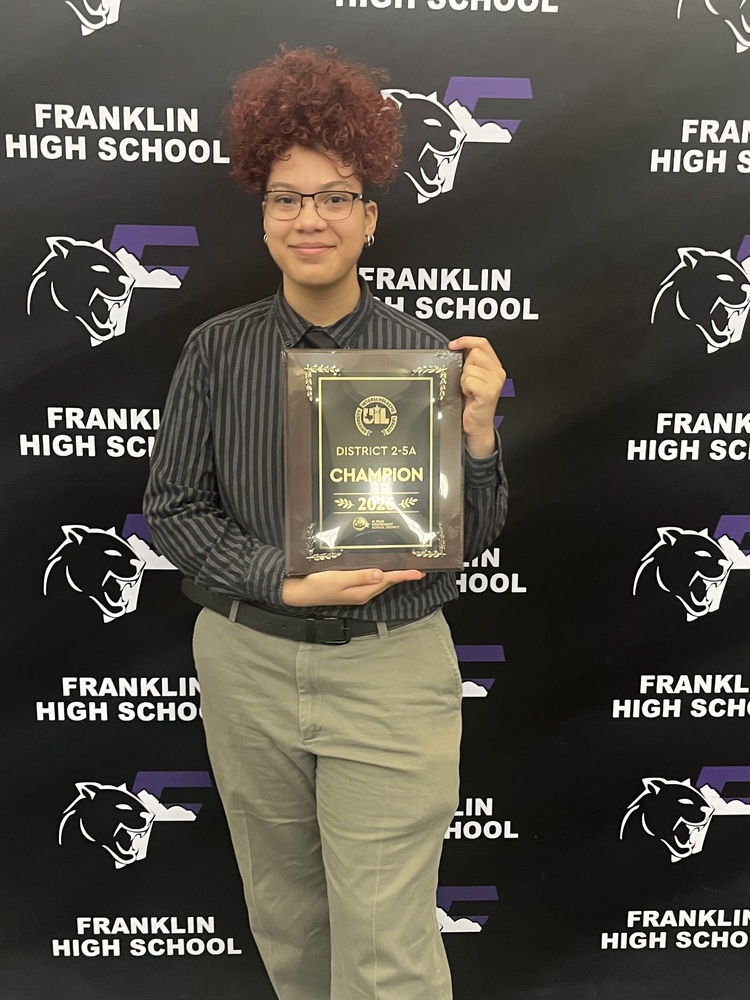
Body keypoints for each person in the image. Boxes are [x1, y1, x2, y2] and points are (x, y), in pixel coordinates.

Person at [144, 46, 508, 1000]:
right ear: (264, 217)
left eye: (334, 196)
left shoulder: (426, 358)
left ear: (369, 217)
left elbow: (476, 531)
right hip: (247, 664)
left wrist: (477, 438)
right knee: (292, 930)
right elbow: (172, 509)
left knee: (387, 955)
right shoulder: (215, 352)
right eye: (285, 197)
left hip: (387, 665)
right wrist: (280, 579)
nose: (310, 217)